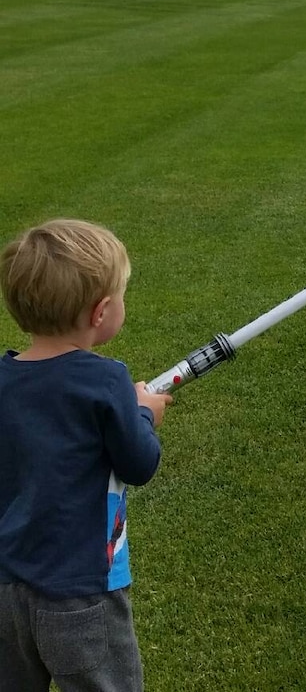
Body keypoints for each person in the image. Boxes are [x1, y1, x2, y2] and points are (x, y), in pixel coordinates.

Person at [0, 218, 173, 691]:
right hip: (83, 594)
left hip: (7, 586)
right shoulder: (107, 380)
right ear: (101, 312)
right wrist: (143, 413)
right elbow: (139, 464)